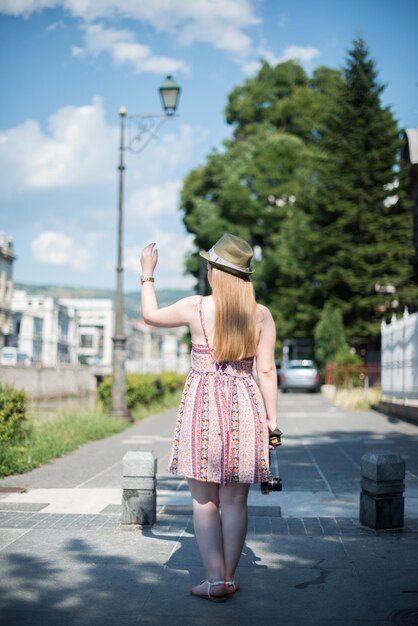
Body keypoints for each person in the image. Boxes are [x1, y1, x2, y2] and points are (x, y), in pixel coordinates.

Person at [140, 233, 279, 602]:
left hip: (202, 406)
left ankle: (214, 580)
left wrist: (147, 274)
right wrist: (272, 421)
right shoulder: (262, 315)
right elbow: (266, 371)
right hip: (246, 407)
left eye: (209, 265)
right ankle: (228, 577)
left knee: (205, 502)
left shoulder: (195, 308)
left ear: (217, 272)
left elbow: (150, 315)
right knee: (236, 502)